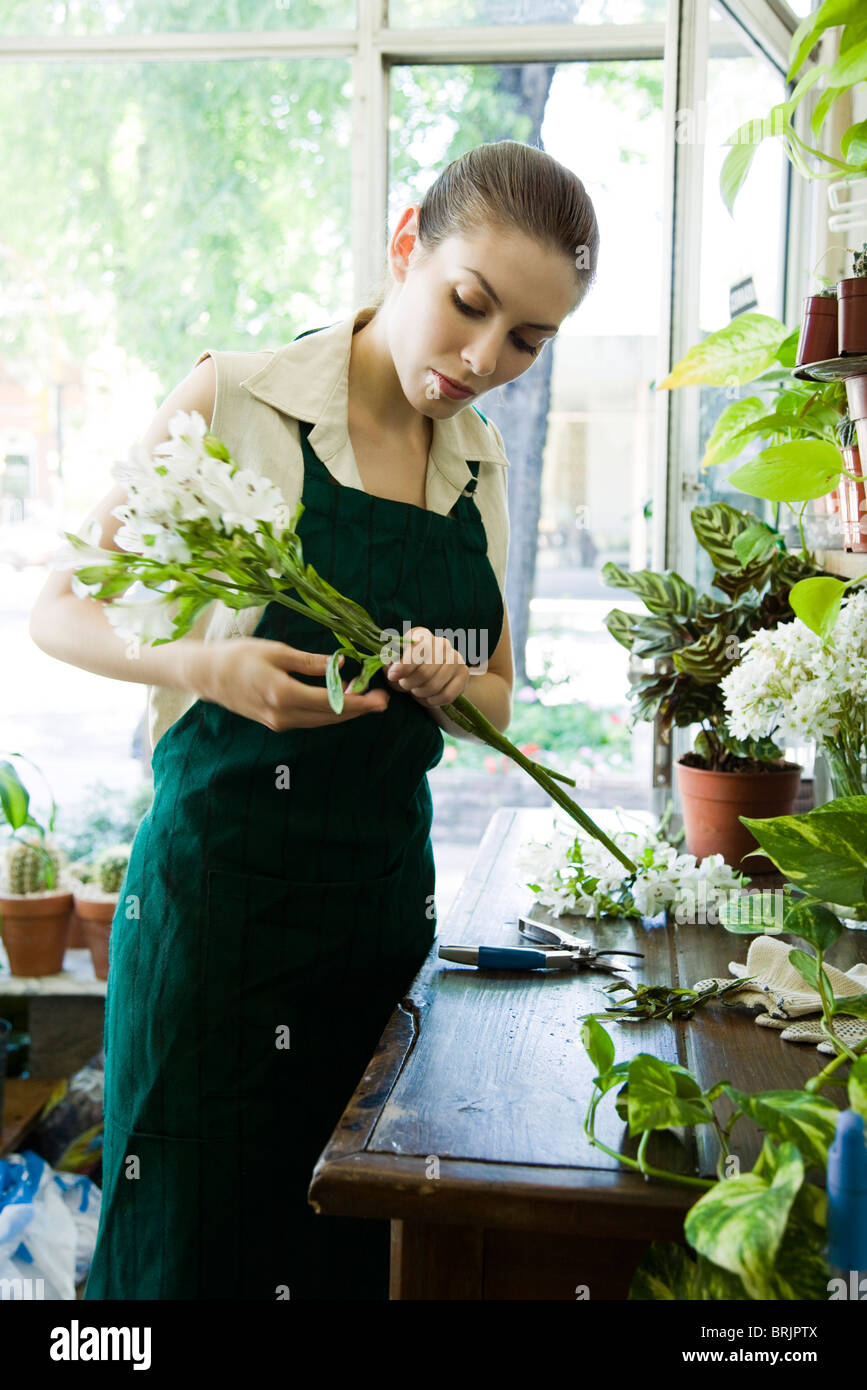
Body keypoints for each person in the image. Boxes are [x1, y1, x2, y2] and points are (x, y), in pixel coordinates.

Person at [29, 139, 599, 1300]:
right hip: (216, 927)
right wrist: (206, 662)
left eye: (528, 341)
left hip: (379, 929)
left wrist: (453, 676)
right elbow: (57, 607)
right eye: (470, 305)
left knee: (347, 1252)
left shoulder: (478, 461)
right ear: (407, 244)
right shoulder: (238, 397)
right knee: (190, 1251)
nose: (484, 360)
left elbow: (496, 693)